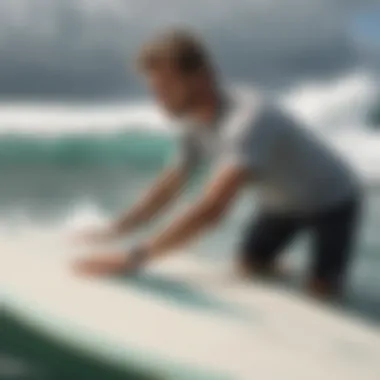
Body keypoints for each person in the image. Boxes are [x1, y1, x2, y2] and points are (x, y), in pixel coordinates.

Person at [74, 29, 362, 299]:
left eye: (165, 86)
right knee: (249, 266)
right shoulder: (193, 123)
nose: (157, 99)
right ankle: (290, 271)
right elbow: (169, 185)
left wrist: (134, 257)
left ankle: (329, 289)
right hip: (281, 203)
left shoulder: (247, 119)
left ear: (200, 77)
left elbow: (212, 209)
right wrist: (116, 228)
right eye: (154, 88)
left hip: (331, 200)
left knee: (321, 293)